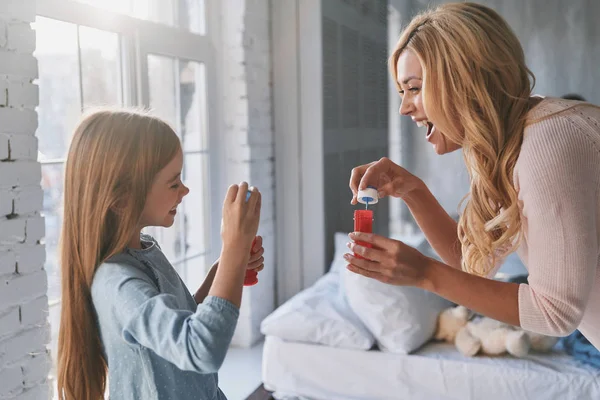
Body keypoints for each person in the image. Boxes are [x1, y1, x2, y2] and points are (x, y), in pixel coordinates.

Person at [346, 2, 600, 350]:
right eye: (402, 92)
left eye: (415, 88)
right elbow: (473, 265)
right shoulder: (511, 144)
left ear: (465, 79)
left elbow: (556, 313)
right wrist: (412, 190)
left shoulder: (546, 142)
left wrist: (424, 273)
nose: (404, 107)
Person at [56, 109, 265, 400]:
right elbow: (200, 349)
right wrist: (234, 248)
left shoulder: (145, 248)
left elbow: (179, 326)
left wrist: (225, 270)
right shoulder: (116, 283)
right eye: (173, 183)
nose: (185, 190)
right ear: (122, 199)